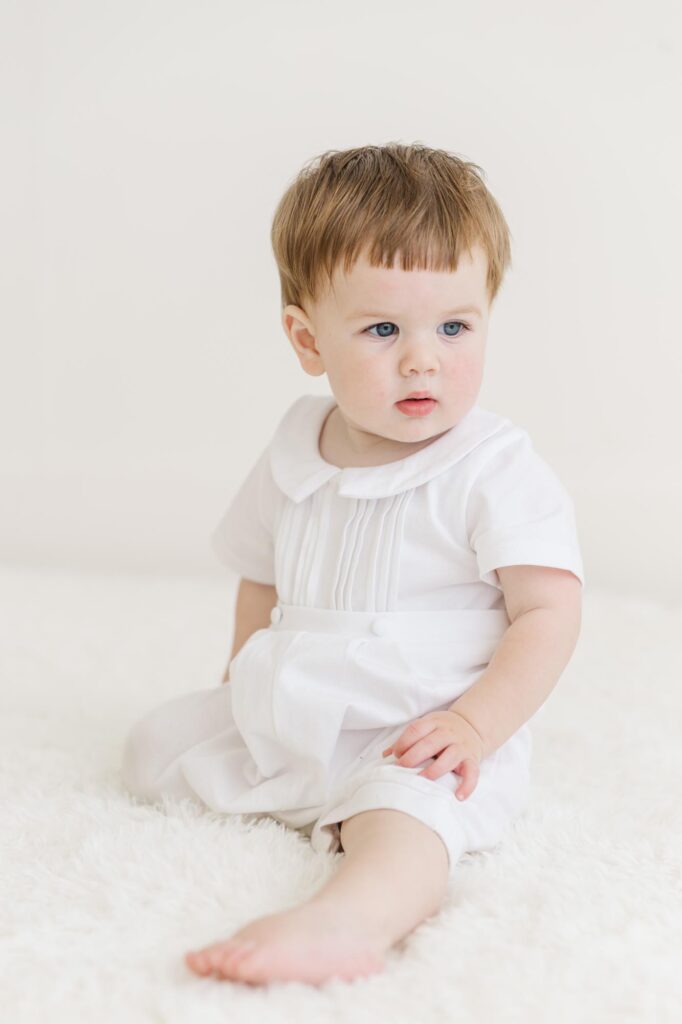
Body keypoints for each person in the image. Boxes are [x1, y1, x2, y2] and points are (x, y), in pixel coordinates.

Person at [121, 142, 584, 986]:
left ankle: (348, 921)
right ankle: (300, 786)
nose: (423, 358)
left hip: (423, 724)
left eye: (454, 326)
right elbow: (260, 572)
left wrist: (477, 725)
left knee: (407, 819)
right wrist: (238, 679)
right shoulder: (297, 446)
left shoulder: (492, 465)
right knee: (156, 746)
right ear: (307, 340)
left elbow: (549, 612)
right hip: (299, 703)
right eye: (382, 330)